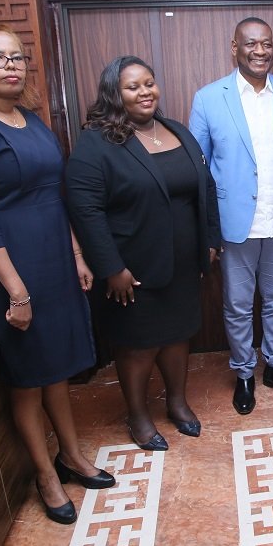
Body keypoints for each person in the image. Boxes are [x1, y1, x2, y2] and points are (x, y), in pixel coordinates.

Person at [0, 22, 114, 526]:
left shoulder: (31, 120)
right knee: (27, 378)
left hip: (55, 259)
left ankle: (72, 455)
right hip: (11, 269)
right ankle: (45, 474)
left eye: (17, 57)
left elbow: (55, 196)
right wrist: (16, 290)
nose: (12, 66)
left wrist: (77, 255)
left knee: (56, 366)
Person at [66, 56, 220, 452]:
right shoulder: (97, 142)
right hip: (131, 268)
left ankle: (177, 402)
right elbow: (86, 209)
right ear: (114, 94)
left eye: (149, 83)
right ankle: (137, 414)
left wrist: (210, 241)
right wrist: (110, 267)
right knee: (138, 345)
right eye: (132, 86)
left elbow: (204, 188)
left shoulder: (176, 131)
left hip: (184, 263)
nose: (144, 92)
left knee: (178, 336)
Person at [189, 17, 273, 415]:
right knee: (238, 305)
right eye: (252, 44)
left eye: (267, 44)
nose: (261, 52)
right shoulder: (208, 98)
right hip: (234, 223)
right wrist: (208, 231)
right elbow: (198, 169)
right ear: (234, 47)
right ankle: (243, 373)